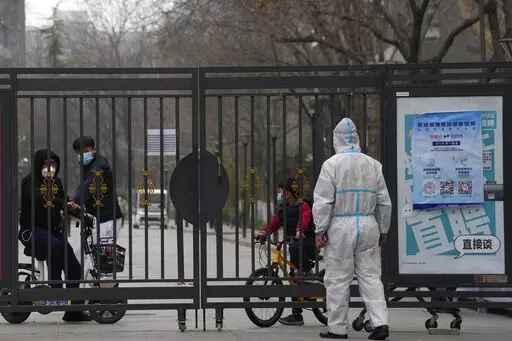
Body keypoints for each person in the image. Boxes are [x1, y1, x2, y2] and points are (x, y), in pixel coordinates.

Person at [313, 118, 392, 340]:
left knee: (338, 278)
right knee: (371, 276)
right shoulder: (373, 164)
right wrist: (383, 227)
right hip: (368, 225)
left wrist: (320, 230)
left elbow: (323, 202)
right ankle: (380, 323)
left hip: (340, 227)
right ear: (357, 139)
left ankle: (337, 328)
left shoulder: (331, 165)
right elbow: (384, 201)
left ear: (337, 140)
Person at [18, 149, 91, 322]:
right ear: (38, 165)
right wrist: (61, 202)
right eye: (46, 164)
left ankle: (73, 310)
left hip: (51, 232)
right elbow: (40, 198)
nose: (50, 168)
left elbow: (62, 200)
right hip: (33, 231)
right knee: (55, 246)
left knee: (74, 265)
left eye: (54, 165)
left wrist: (76, 210)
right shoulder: (30, 181)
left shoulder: (56, 182)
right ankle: (54, 287)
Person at [254, 178, 316, 326]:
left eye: (280, 192)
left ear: (287, 193)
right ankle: (297, 315)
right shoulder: (283, 210)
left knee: (297, 271)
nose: (278, 195)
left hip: (306, 241)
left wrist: (300, 230)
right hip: (294, 244)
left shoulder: (303, 205)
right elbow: (275, 222)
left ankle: (307, 272)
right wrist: (263, 232)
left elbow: (305, 218)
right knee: (293, 276)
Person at [69, 136, 123, 274]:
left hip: (108, 219)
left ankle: (94, 290)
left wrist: (75, 202)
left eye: (86, 150)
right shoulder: (87, 166)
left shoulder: (99, 166)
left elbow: (88, 185)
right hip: (96, 220)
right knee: (78, 255)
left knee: (95, 260)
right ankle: (77, 288)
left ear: (94, 149)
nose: (82, 154)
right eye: (79, 152)